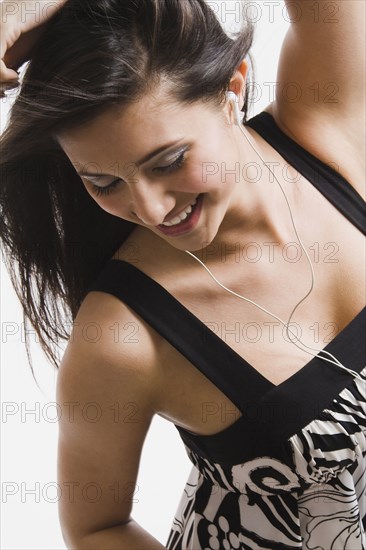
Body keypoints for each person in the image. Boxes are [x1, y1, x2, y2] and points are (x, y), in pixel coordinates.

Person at [0, 0, 365, 548]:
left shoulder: (329, 128)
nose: (148, 209)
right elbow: (96, 527)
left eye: (167, 162)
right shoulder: (124, 336)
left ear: (232, 90)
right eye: (103, 183)